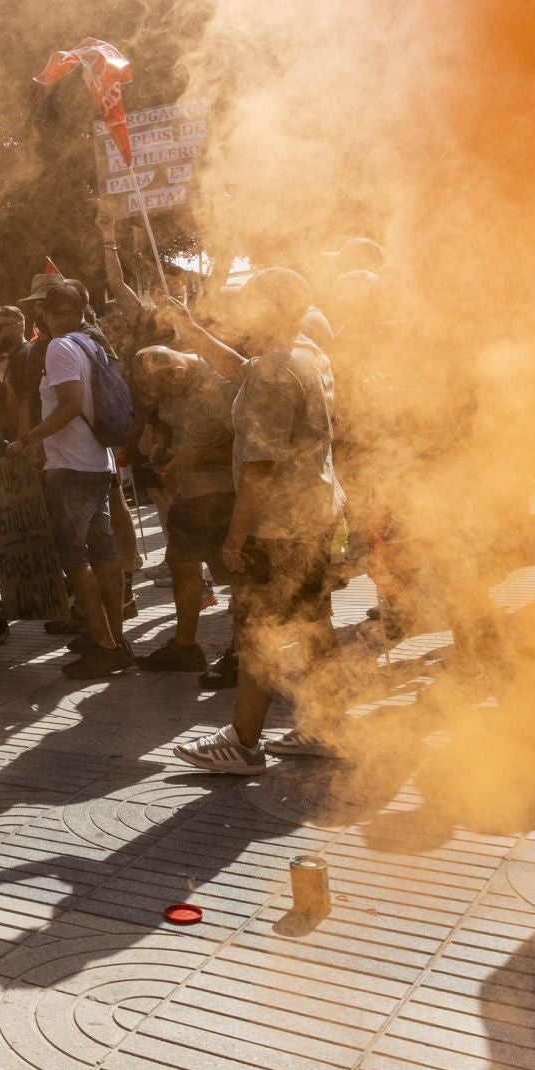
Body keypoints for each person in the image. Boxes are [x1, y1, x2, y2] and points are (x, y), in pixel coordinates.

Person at [165, 270, 345, 774]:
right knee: (314, 625)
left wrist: (235, 537)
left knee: (258, 634)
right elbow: (244, 370)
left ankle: (244, 744)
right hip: (312, 516)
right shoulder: (305, 353)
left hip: (277, 527)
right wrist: (193, 333)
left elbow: (259, 469)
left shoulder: (274, 371)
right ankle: (326, 729)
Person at [9, 282, 135, 679]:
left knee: (76, 560)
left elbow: (68, 406)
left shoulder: (60, 348)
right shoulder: (93, 343)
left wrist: (26, 440)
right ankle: (115, 640)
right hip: (98, 462)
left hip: (70, 467)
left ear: (48, 314)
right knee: (105, 554)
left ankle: (104, 647)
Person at [130, 347, 237, 673]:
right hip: (190, 496)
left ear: (175, 371)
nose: (160, 395)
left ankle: (241, 655)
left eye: (162, 387)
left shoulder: (218, 386)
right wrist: (162, 445)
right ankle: (185, 647)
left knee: (237, 578)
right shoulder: (168, 383)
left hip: (225, 496)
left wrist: (198, 457)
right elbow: (168, 424)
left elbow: (249, 447)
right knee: (181, 564)